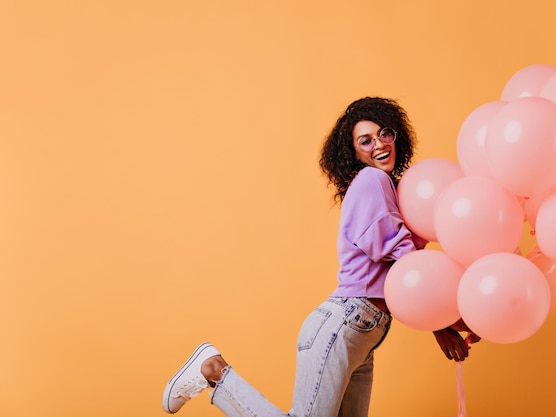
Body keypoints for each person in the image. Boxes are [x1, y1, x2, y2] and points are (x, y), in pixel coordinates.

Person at [161, 96, 480, 416]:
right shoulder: (372, 179)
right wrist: (440, 324)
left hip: (363, 335)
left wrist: (458, 320)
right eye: (365, 141)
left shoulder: (391, 191)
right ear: (353, 152)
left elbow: (410, 277)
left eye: (384, 134)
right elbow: (404, 263)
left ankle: (214, 371)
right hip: (346, 323)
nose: (379, 144)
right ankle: (214, 370)